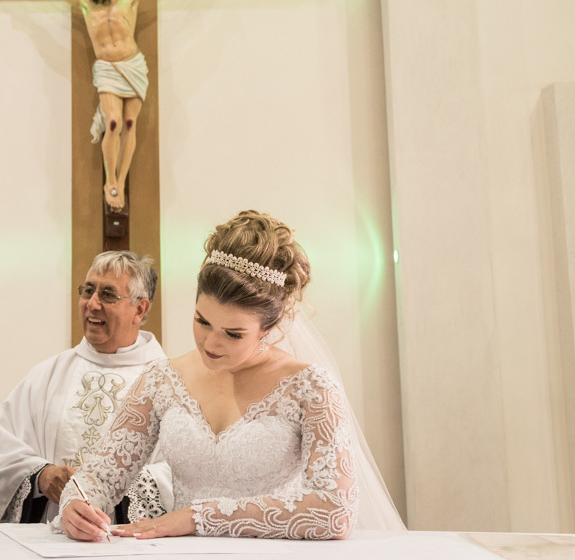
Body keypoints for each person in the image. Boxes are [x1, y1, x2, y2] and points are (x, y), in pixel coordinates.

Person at [59, 210, 404, 541]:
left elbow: (335, 510)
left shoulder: (310, 388)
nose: (211, 343)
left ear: (269, 327)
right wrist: (78, 503)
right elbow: (100, 477)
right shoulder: (161, 380)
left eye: (234, 334)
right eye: (202, 321)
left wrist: (198, 517)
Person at [5, 0, 210, 211]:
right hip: (106, 69)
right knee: (112, 122)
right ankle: (109, 180)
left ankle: (120, 182)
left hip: (133, 65)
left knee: (128, 124)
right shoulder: (85, 4)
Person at [0, 251, 169, 524]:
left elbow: (181, 473)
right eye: (88, 291)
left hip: (126, 541)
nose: (93, 304)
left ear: (140, 309)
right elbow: (7, 451)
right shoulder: (47, 375)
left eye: (108, 295)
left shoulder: (168, 383)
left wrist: (111, 487)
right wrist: (42, 476)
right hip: (50, 537)